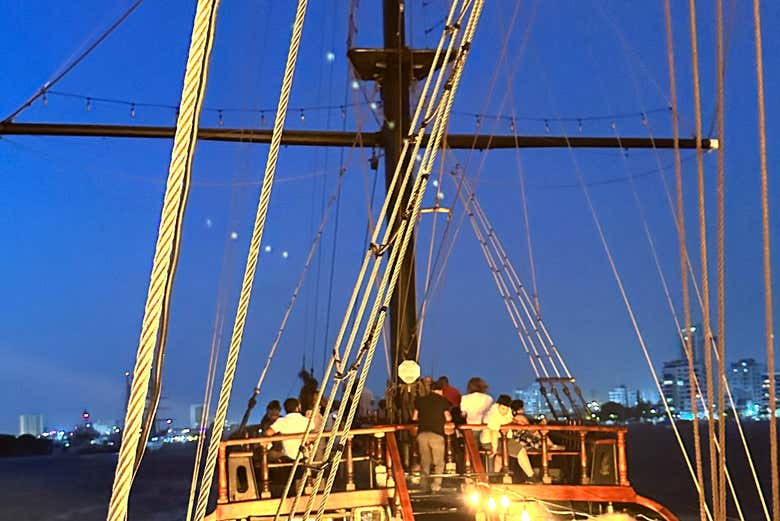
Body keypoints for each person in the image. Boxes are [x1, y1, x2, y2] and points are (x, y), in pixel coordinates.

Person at [413, 380, 452, 493]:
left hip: (422, 434)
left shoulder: (420, 400)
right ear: (441, 390)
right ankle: (436, 486)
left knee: (425, 461)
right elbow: (448, 417)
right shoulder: (443, 401)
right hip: (436, 434)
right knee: (438, 462)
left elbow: (414, 417)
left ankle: (424, 486)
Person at [481, 394, 513, 470]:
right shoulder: (493, 415)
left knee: (501, 456)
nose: (505, 411)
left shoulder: (507, 413)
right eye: (503, 408)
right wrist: (494, 448)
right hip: (489, 440)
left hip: (499, 439)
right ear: (498, 405)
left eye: (507, 409)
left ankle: (496, 474)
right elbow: (494, 431)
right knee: (501, 455)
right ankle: (495, 474)